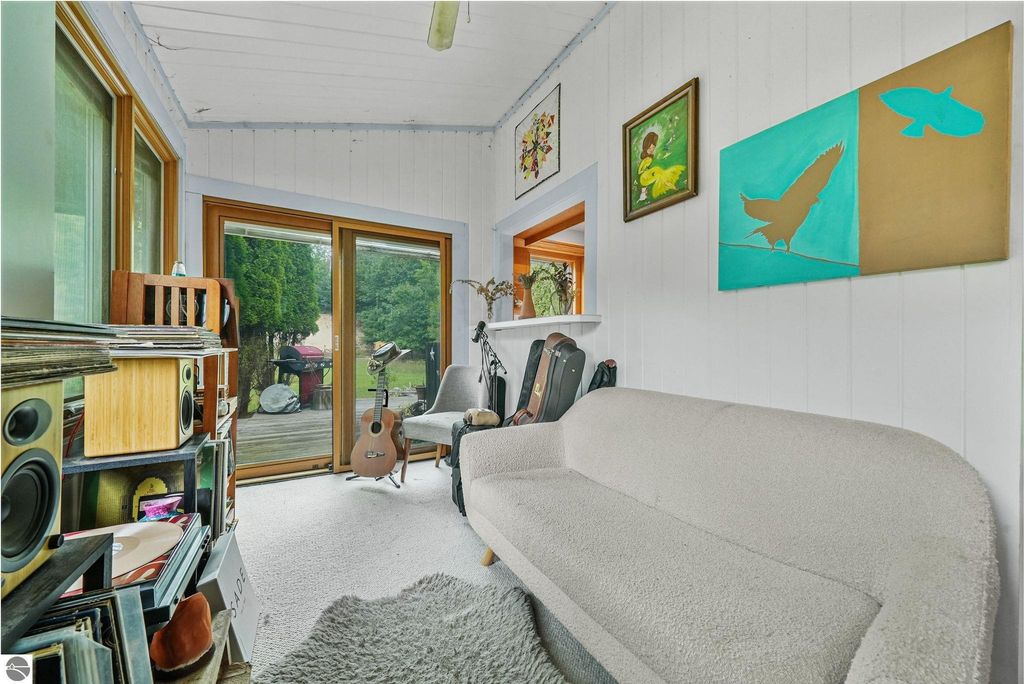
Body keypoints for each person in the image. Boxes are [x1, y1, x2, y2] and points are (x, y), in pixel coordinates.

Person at [637, 131, 685, 202]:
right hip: (643, 178)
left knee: (659, 173)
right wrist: (645, 171)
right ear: (646, 147)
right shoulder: (646, 159)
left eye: (653, 148)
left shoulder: (650, 158)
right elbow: (639, 172)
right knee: (658, 171)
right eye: (650, 148)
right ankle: (670, 186)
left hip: (647, 176)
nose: (651, 150)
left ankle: (670, 186)